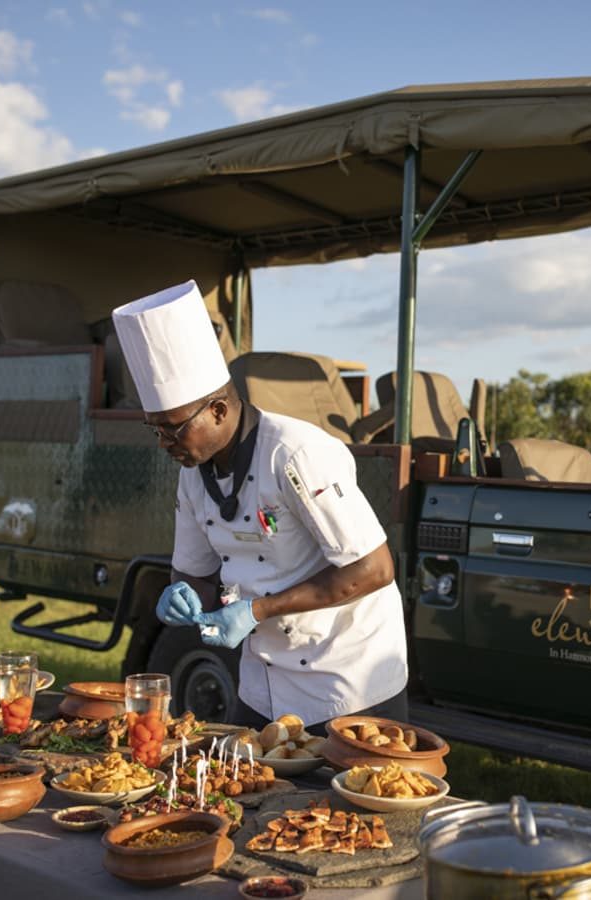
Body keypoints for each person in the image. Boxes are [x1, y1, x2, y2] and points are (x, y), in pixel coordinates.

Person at [112, 280, 409, 732]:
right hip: (264, 682)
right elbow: (195, 572)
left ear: (216, 409)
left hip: (347, 679)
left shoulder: (296, 454)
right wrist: (185, 595)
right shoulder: (193, 474)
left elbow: (373, 569)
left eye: (172, 429)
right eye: (154, 430)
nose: (163, 444)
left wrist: (254, 611)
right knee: (250, 789)